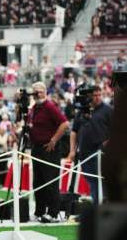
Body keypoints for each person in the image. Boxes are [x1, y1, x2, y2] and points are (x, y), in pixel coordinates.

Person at [28, 82, 70, 223]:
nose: (38, 94)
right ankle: (39, 211)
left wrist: (54, 140)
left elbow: (64, 124)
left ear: (45, 92)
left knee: (51, 181)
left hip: (49, 149)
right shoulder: (34, 108)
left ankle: (53, 212)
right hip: (37, 147)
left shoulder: (50, 106)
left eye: (40, 91)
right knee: (38, 182)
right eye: (36, 92)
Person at [68, 86, 112, 204]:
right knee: (92, 182)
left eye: (99, 95)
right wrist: (72, 150)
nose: (97, 98)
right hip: (85, 153)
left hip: (101, 153)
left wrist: (107, 143)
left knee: (102, 183)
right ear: (89, 97)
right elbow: (74, 132)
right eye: (95, 95)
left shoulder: (108, 110)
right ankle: (98, 208)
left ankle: (103, 209)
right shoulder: (82, 111)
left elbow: (117, 130)